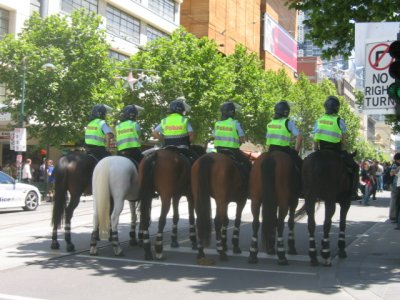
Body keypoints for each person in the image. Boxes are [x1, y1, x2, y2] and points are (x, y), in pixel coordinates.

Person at [313, 95, 359, 199]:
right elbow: (343, 140)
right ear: (337, 108)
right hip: (336, 150)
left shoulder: (319, 120)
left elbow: (315, 137)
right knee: (355, 167)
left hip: (321, 149)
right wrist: (343, 150)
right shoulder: (339, 120)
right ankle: (353, 192)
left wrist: (316, 149)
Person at [212, 101, 252, 178]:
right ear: (231, 112)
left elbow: (214, 135)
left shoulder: (217, 124)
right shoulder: (235, 123)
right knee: (247, 163)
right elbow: (242, 139)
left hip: (219, 150)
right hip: (233, 151)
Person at [152, 97, 197, 162]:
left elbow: (154, 133)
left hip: (167, 148)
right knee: (196, 159)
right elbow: (192, 135)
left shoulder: (165, 120)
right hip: (183, 148)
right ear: (182, 110)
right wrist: (187, 142)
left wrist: (163, 140)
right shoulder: (184, 120)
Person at [266, 100, 303, 177]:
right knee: (301, 166)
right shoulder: (287, 122)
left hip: (270, 150)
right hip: (284, 150)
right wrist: (296, 152)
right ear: (286, 112)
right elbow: (299, 137)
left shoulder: (270, 123)